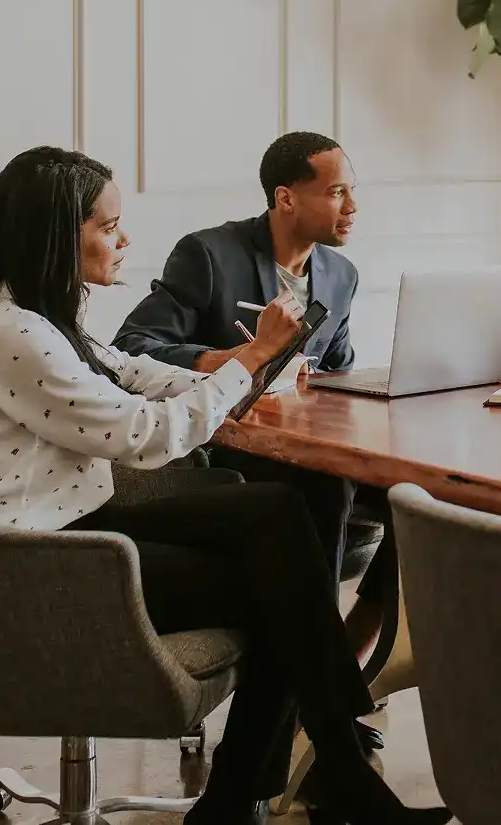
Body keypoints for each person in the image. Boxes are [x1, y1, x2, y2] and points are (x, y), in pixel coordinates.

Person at [0, 146, 451, 825]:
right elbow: (146, 435)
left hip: (77, 522)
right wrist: (253, 357)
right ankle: (290, 782)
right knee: (286, 587)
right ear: (57, 235)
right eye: (108, 227)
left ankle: (297, 779)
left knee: (288, 511)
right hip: (45, 564)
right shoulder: (15, 333)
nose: (124, 240)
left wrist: (245, 373)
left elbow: (132, 372)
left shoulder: (38, 318)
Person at [112, 131, 389, 690]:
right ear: (286, 198)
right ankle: (319, 680)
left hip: (311, 443)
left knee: (423, 500)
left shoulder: (340, 275)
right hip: (228, 450)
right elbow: (133, 345)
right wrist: (235, 358)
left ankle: (349, 649)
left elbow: (336, 372)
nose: (352, 207)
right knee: (325, 486)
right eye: (337, 193)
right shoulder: (209, 255)